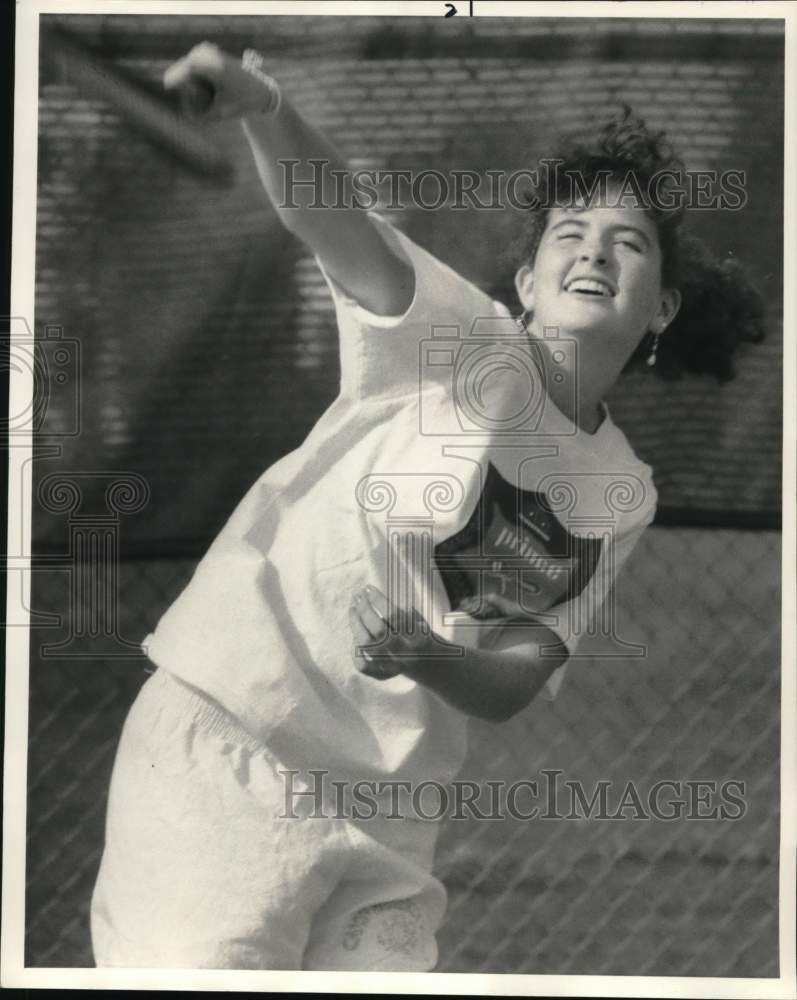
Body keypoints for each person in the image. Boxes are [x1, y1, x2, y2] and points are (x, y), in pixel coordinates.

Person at [90, 43, 764, 972]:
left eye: (629, 240)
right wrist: (262, 102)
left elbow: (518, 671)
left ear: (661, 308)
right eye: (567, 233)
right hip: (231, 745)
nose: (594, 249)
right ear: (525, 287)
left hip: (386, 819)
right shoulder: (452, 336)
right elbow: (333, 216)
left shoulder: (623, 490)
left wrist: (433, 657)